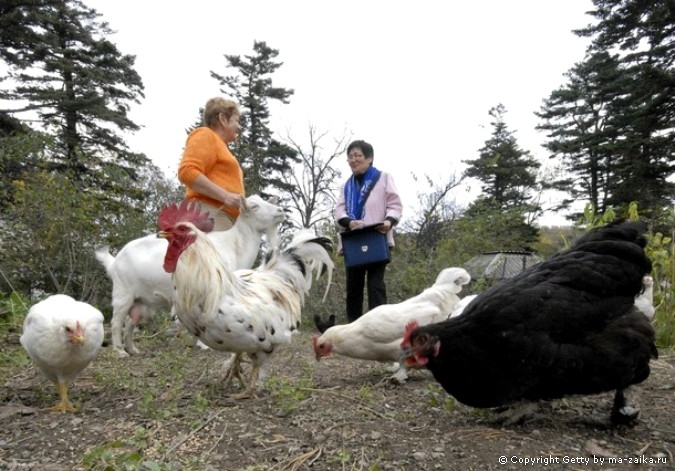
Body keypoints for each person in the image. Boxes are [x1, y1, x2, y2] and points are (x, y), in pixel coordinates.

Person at [335, 140, 403, 322]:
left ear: (369, 158)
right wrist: (349, 223)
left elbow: (395, 205)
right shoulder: (346, 186)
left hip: (377, 237)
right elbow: (338, 211)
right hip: (354, 240)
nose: (353, 160)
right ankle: (354, 328)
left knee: (376, 286)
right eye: (350, 157)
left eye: (357, 155)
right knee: (353, 287)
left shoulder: (383, 178)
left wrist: (389, 222)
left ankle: (379, 326)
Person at [178, 97, 245, 231]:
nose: (239, 127)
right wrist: (225, 196)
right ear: (223, 119)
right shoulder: (206, 135)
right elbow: (187, 171)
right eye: (236, 121)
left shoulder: (221, 147)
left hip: (223, 217)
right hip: (210, 214)